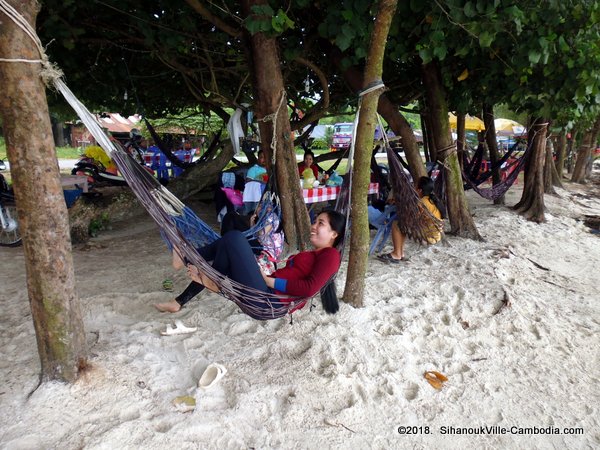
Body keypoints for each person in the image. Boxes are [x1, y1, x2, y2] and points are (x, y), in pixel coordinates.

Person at [154, 209, 345, 315]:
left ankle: (191, 262)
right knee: (228, 243)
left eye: (320, 223)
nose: (313, 226)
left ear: (334, 234)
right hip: (264, 292)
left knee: (235, 238)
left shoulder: (331, 255)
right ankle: (202, 282)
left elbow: (310, 288)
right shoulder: (317, 254)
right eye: (315, 221)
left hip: (268, 299)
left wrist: (270, 281)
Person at [377, 176, 444, 263]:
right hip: (435, 233)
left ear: (419, 190)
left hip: (428, 235)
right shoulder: (431, 200)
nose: (413, 187)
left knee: (397, 224)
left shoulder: (422, 202)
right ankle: (400, 253)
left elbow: (411, 217)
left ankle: (397, 254)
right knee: (402, 224)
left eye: (415, 186)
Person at [242, 150, 267, 214]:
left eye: (266, 157)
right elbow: (248, 182)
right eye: (262, 157)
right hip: (258, 193)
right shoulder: (253, 169)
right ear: (258, 159)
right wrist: (261, 181)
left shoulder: (271, 169)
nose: (264, 159)